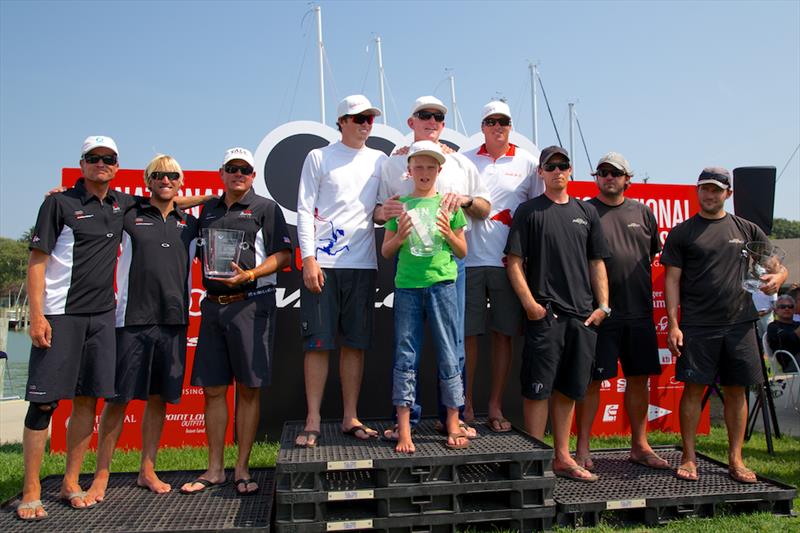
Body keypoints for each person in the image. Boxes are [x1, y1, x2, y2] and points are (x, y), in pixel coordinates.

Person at [19, 136, 138, 519]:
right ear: (82, 163)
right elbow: (37, 263)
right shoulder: (58, 203)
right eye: (94, 158)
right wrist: (36, 316)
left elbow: (167, 203)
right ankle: (31, 490)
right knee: (44, 403)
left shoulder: (122, 204)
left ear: (117, 166)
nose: (101, 164)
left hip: (101, 317)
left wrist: (207, 201)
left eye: (109, 159)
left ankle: (71, 482)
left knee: (88, 400)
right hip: (59, 315)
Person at [662, 167, 787, 484]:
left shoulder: (747, 229)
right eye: (704, 188)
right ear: (697, 191)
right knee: (692, 391)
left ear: (728, 194)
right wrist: (674, 325)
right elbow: (672, 282)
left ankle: (736, 459)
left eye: (716, 189)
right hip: (698, 326)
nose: (709, 194)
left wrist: (779, 279)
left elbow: (775, 266)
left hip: (740, 325)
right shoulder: (683, 232)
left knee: (736, 391)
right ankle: (689, 458)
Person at [375, 95, 490, 440]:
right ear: (411, 122)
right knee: (407, 348)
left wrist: (465, 201)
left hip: (448, 268)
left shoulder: (460, 163)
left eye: (438, 116)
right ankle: (407, 422)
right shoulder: (392, 163)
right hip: (409, 270)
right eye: (424, 115)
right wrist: (393, 218)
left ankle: (451, 419)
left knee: (450, 344)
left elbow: (483, 208)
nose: (432, 120)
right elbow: (379, 213)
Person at [180, 147, 291, 496]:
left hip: (250, 305)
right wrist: (203, 197)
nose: (239, 174)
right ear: (222, 172)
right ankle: (215, 469)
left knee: (248, 388)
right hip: (213, 306)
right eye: (232, 168)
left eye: (245, 169)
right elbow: (164, 205)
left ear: (253, 175)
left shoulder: (266, 208)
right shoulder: (207, 210)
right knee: (213, 390)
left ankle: (241, 467)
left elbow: (285, 255)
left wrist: (252, 275)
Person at [86, 155, 198, 501]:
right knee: (118, 400)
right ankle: (101, 476)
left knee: (158, 398)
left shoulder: (190, 224)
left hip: (174, 321)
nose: (166, 180)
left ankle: (146, 470)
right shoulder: (129, 215)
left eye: (172, 175)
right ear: (148, 181)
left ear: (181, 182)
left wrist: (208, 200)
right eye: (158, 175)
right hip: (131, 320)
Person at [505, 146, 610, 483]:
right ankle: (537, 460)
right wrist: (530, 305)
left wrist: (603, 306)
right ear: (541, 173)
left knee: (568, 389)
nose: (557, 171)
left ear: (570, 171)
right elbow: (514, 263)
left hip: (582, 316)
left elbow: (597, 262)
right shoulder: (529, 211)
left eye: (563, 166)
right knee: (538, 389)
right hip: (545, 315)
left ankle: (562, 457)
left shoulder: (586, 212)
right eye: (550, 167)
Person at [294, 95, 388, 447]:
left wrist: (388, 212)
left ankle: (351, 416)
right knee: (317, 344)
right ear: (342, 121)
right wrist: (308, 258)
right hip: (324, 265)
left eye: (369, 118)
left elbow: (377, 212)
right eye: (358, 117)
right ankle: (313, 419)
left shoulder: (380, 160)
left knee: (356, 345)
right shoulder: (319, 157)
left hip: (363, 264)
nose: (365, 123)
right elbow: (304, 210)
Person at [574, 152, 669, 471]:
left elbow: (651, 254)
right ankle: (583, 448)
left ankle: (640, 446)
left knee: (639, 379)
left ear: (628, 178)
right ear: (596, 177)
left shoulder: (643, 213)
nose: (608, 177)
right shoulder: (585, 212)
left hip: (639, 312)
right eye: (602, 172)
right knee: (591, 382)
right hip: (599, 313)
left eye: (615, 173)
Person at [381, 141, 468, 453]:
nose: (425, 172)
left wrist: (447, 233)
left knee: (448, 351)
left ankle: (454, 422)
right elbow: (386, 250)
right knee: (406, 354)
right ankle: (404, 429)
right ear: (409, 170)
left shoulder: (449, 206)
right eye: (419, 166)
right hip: (407, 287)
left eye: (431, 167)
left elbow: (462, 250)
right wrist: (401, 236)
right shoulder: (400, 206)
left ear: (439, 171)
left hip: (443, 285)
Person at [460, 100, 542, 432]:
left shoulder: (528, 163)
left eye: (504, 122)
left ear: (511, 126)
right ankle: (464, 405)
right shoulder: (463, 160)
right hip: (467, 262)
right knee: (467, 337)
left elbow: (538, 211)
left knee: (504, 336)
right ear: (482, 127)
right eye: (491, 121)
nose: (498, 127)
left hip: (509, 266)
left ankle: (494, 406)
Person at [766, 294, 800, 372]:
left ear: (794, 310)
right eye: (782, 306)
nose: (787, 309)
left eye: (790, 306)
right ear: (776, 310)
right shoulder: (773, 326)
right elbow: (791, 339)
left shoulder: (797, 324)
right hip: (791, 364)